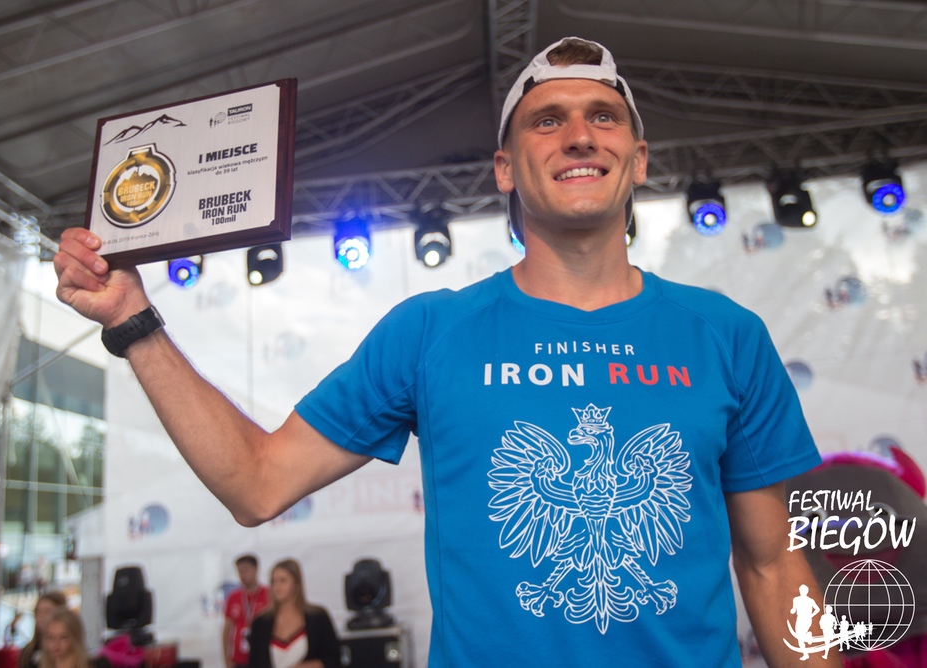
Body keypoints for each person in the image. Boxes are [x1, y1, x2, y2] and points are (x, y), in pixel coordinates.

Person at [53, 36, 836, 666]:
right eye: (546, 120)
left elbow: (774, 567)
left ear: (638, 158)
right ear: (505, 169)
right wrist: (132, 320)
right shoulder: (430, 332)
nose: (578, 135)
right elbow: (255, 483)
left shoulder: (726, 335)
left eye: (603, 116)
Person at [248, 559, 339, 668]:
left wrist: (308, 666)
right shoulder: (261, 623)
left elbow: (334, 658)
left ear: (296, 584)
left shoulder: (318, 617)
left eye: (283, 581)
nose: (277, 587)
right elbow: (254, 663)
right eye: (273, 581)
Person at [224, 554, 270, 668]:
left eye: (246, 569)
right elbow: (226, 630)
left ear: (256, 569)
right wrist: (227, 660)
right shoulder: (233, 596)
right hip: (239, 660)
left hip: (262, 658)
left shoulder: (269, 594)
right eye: (239, 571)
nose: (243, 574)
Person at [37, 608, 109, 668]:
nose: (56, 644)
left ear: (75, 637)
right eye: (50, 638)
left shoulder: (98, 665)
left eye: (63, 637)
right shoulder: (38, 664)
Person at [18, 591, 68, 668]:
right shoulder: (28, 651)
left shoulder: (68, 650)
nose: (41, 616)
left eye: (47, 611)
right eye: (39, 611)